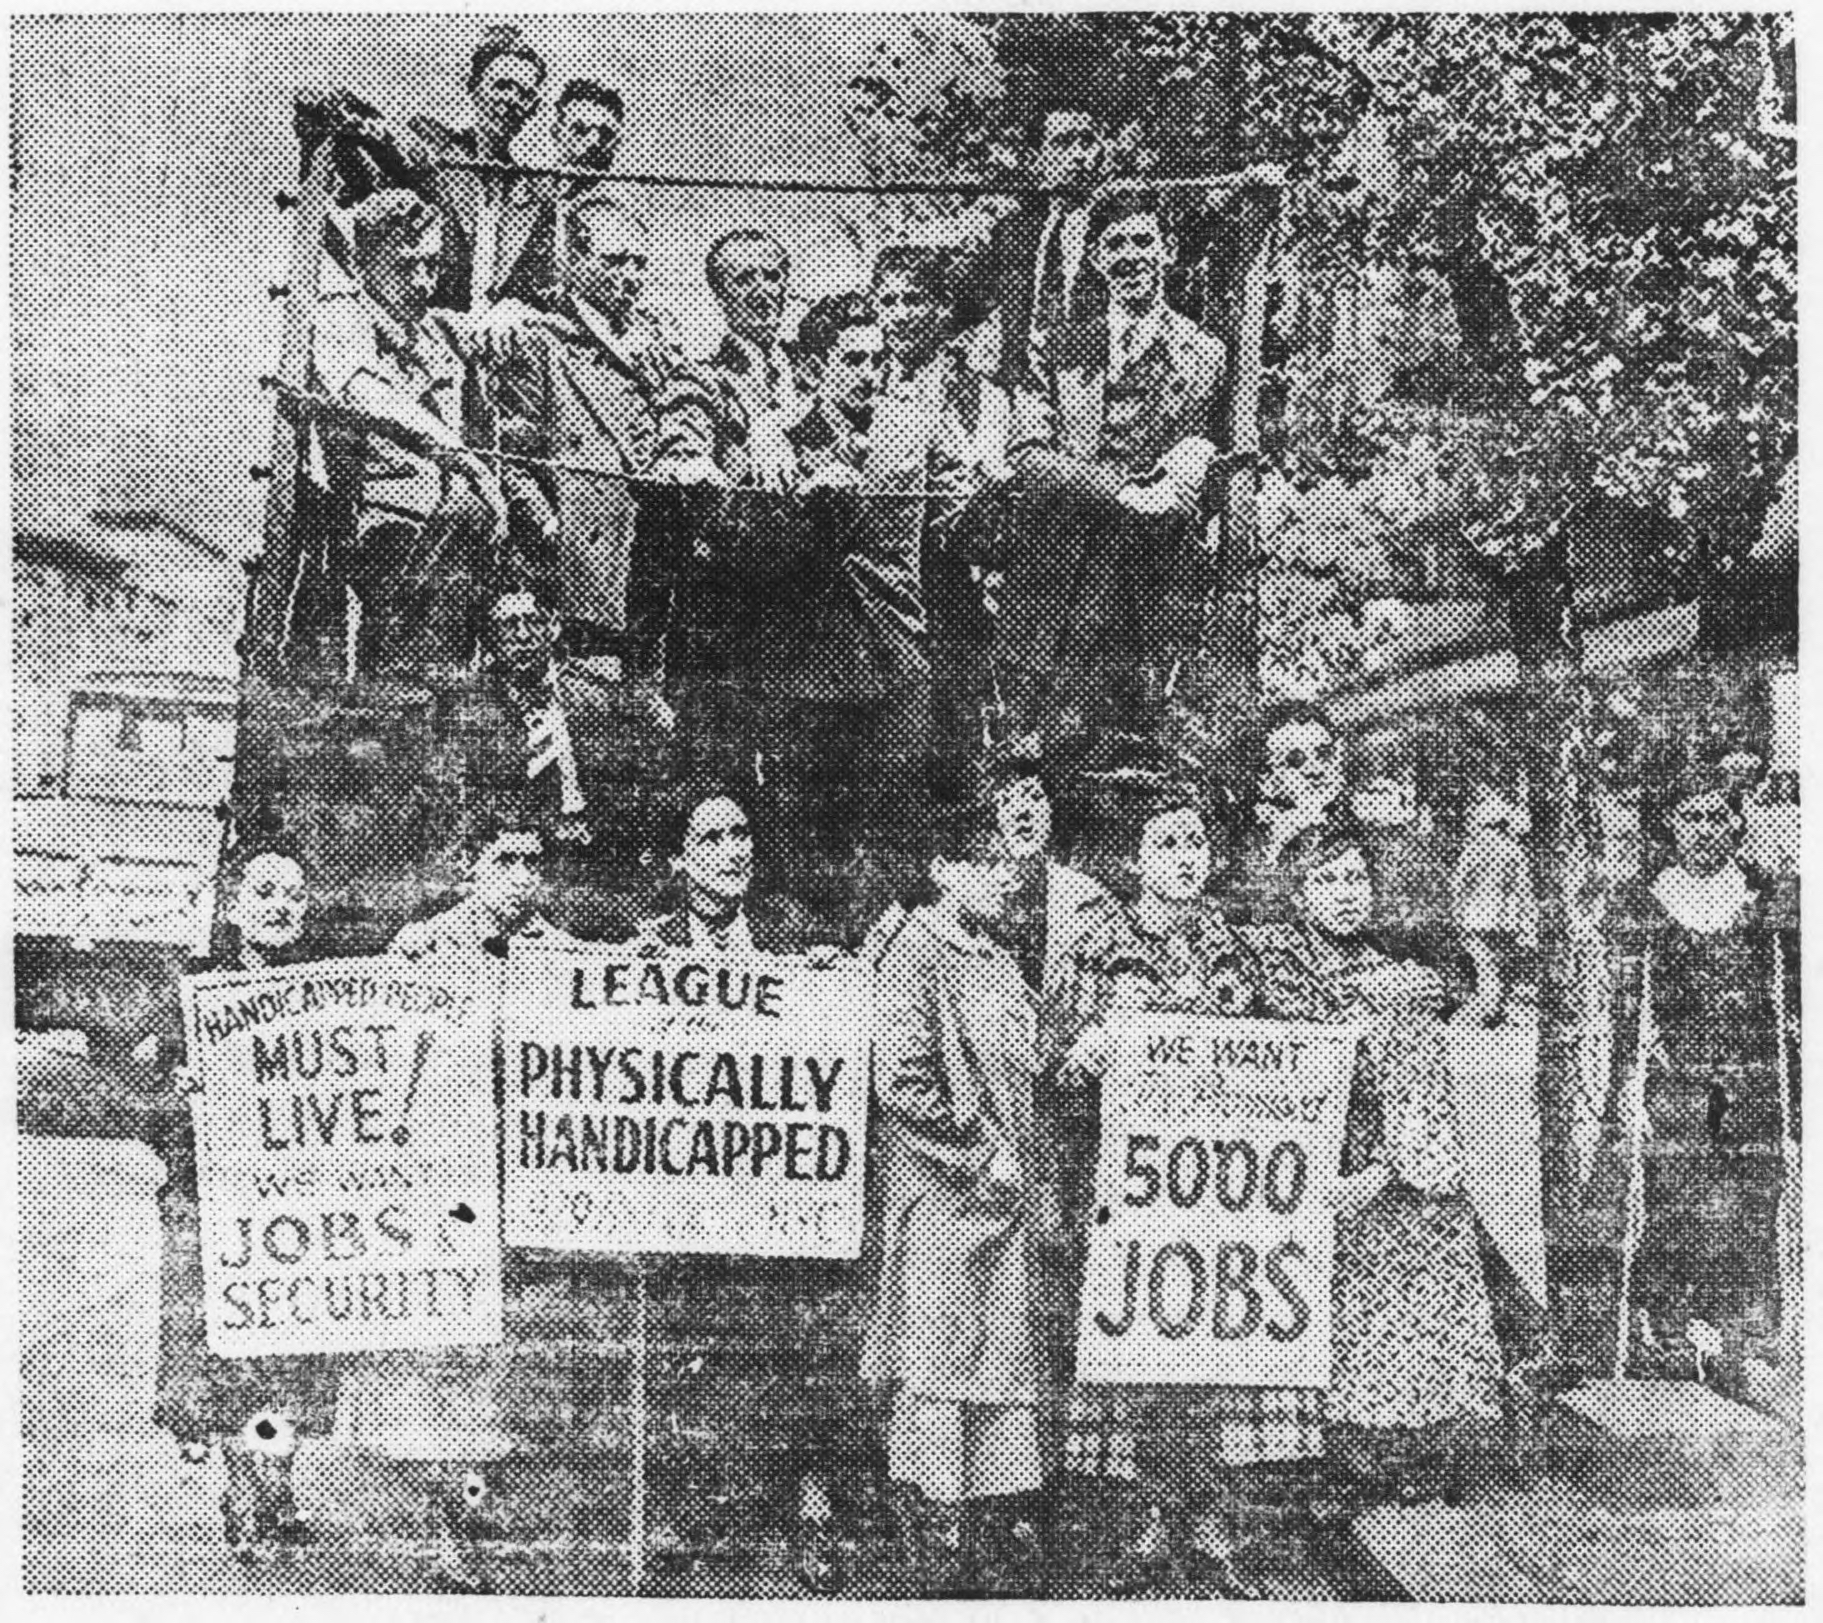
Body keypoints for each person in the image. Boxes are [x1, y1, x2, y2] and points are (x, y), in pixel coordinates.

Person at [1043, 774, 1285, 1596]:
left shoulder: (1230, 945)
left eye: (1194, 844)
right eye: (1166, 844)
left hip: (1215, 1191)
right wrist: (1086, 1055)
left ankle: (1204, 1517)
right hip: (1125, 1185)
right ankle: (1138, 1516)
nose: (1184, 859)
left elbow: (1272, 1058)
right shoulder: (1096, 944)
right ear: (1134, 858)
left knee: (1208, 1344)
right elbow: (1056, 1063)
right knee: (1135, 1346)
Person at [341, 817, 586, 1591]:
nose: (521, 875)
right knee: (437, 1349)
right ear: (471, 869)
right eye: (503, 860)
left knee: (497, 1350)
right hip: (441, 1182)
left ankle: (475, 1491)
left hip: (520, 1184)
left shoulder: (561, 952)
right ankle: (444, 1519)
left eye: (532, 862)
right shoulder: (424, 946)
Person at [626, 788, 861, 1592]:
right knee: (685, 1349)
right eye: (712, 836)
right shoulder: (646, 944)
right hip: (691, 1195)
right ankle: (677, 1512)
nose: (733, 850)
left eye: (741, 833)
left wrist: (838, 982)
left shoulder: (795, 933)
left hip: (780, 1196)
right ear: (679, 857)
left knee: (794, 1350)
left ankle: (807, 1508)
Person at [1247, 825, 1504, 1511]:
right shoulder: (1275, 965)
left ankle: (1418, 1452)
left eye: (1354, 879)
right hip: (1320, 1162)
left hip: (1395, 1162)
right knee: (1342, 1315)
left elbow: (1432, 1065)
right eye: (1326, 880)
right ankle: (1344, 1461)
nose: (1343, 894)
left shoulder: (1396, 971)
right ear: (1299, 894)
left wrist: (1392, 1161)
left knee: (1413, 1305)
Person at [864, 801, 1049, 1596]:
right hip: (943, 1196)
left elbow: (1027, 1060)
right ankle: (930, 1543)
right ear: (942, 871)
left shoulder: (997, 954)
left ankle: (982, 1537)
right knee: (940, 1364)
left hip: (1002, 1203)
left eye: (1008, 864)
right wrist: (979, 1152)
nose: (1005, 875)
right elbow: (901, 1078)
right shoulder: (915, 950)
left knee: (997, 1366)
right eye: (984, 863)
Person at [147, 853, 339, 1561]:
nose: (281, 905)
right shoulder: (192, 994)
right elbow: (142, 1108)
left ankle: (279, 1479)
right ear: (232, 905)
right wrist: (182, 1092)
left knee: (296, 1357)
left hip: (302, 1210)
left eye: (295, 893)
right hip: (215, 1204)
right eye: (264, 892)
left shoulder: (331, 994)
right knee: (227, 1355)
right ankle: (242, 1490)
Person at [1003, 188, 1227, 742]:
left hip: (1148, 573)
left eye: (1143, 241)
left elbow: (1210, 450)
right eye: (1115, 244)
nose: (1131, 256)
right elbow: (1029, 455)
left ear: (1168, 251)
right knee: (1050, 737)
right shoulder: (1055, 343)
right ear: (1096, 259)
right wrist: (1120, 489)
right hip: (1059, 569)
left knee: (1136, 736)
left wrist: (1189, 467)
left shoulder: (1204, 353)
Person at [1605, 761, 1796, 1392]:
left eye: (1720, 817)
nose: (1708, 830)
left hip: (1751, 1077)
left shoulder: (1768, 898)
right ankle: (1669, 1324)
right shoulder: (1645, 900)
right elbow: (1627, 1004)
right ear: (1671, 824)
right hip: (1679, 1080)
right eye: (1694, 817)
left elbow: (1793, 993)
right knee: (1677, 1197)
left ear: (1738, 823)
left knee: (1751, 1197)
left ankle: (1747, 1332)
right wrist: (1626, 1083)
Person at [765, 292, 969, 856]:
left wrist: (984, 496)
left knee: (897, 818)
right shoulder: (781, 435)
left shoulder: (920, 424)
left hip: (898, 649)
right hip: (812, 659)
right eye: (853, 361)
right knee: (815, 824)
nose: (871, 375)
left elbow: (959, 517)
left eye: (879, 359)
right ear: (815, 367)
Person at [493, 194, 722, 678]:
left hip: (654, 546)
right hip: (578, 555)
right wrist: (548, 525)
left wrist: (686, 451)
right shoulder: (540, 337)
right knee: (583, 698)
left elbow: (696, 396)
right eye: (615, 261)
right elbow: (511, 457)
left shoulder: (657, 332)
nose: (631, 277)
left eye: (639, 263)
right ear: (574, 261)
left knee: (649, 699)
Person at [309, 187, 520, 676]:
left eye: (432, 265)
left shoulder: (436, 330)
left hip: (454, 540)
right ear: (366, 260)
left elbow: (505, 329)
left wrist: (512, 315)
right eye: (407, 266)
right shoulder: (342, 317)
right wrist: (458, 455)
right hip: (382, 533)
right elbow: (366, 392)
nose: (423, 282)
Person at [874, 245, 1002, 795]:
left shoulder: (979, 395)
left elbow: (987, 495)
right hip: (878, 594)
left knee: (953, 744)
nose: (900, 315)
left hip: (952, 586)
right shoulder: (865, 382)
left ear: (944, 308)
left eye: (915, 301)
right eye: (889, 301)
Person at [406, 25, 552, 313]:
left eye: (523, 93)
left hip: (491, 346)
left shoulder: (533, 197)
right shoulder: (433, 151)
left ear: (532, 109)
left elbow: (538, 291)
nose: (510, 100)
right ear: (473, 87)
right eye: (501, 86)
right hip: (427, 334)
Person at [972, 96, 1111, 389]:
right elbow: (987, 310)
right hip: (1024, 386)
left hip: (1092, 380)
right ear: (1037, 161)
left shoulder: (1117, 228)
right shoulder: (1012, 232)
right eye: (1062, 144)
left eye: (1086, 142)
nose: (1078, 155)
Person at [983, 739, 1109, 993]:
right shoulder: (973, 896)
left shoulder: (1086, 896)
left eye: (1035, 797)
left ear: (1051, 810)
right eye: (1007, 800)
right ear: (994, 815)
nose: (1023, 811)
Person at [495, 79, 627, 310]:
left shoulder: (618, 218)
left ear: (617, 143)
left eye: (605, 134)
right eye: (580, 130)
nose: (594, 142)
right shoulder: (521, 195)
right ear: (556, 132)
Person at [1230, 701, 1349, 925]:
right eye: (1296, 760)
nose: (1316, 770)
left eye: (1324, 754)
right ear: (1266, 779)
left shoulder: (1351, 845)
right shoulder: (1239, 851)